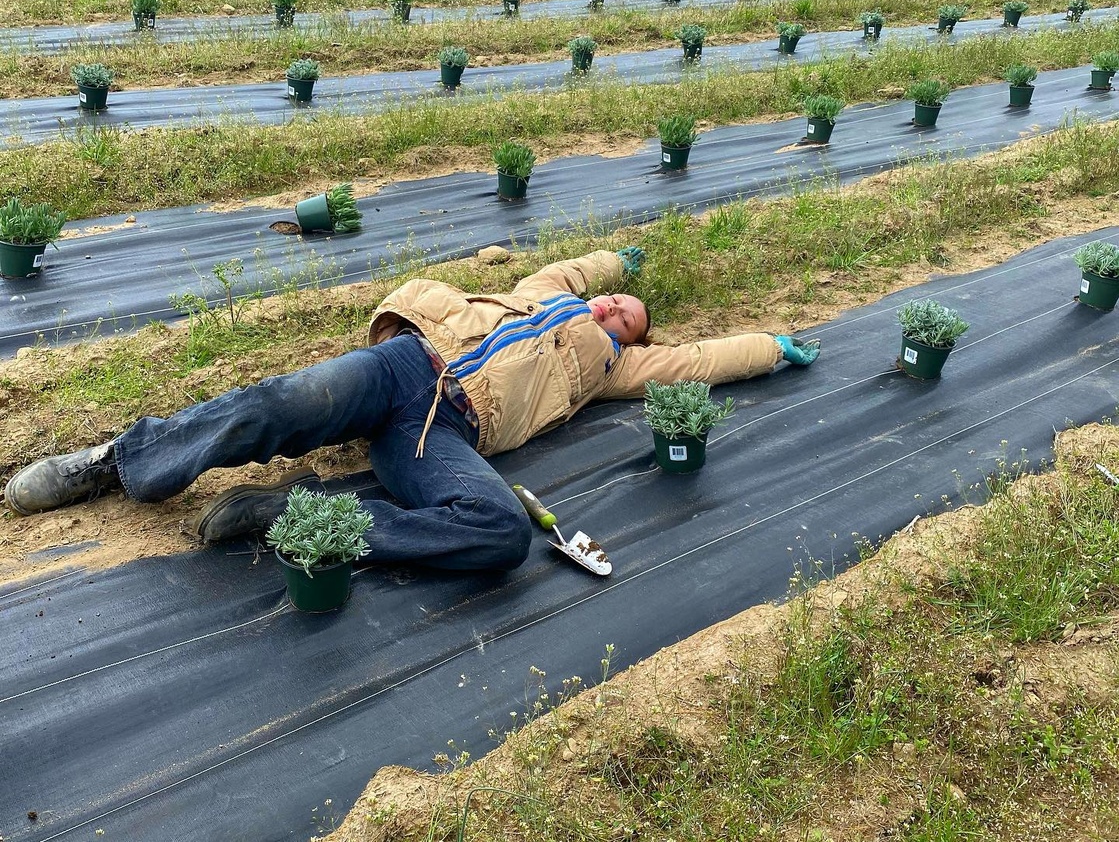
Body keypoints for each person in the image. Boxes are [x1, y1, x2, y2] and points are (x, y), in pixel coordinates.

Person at [4, 248, 820, 571]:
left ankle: (291, 516)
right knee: (281, 402)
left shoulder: (611, 368)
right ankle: (120, 462)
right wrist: (615, 259)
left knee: (501, 535)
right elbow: (574, 269)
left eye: (628, 318)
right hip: (407, 364)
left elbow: (704, 360)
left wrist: (772, 347)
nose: (612, 311)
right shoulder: (541, 290)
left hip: (444, 430)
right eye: (613, 300)